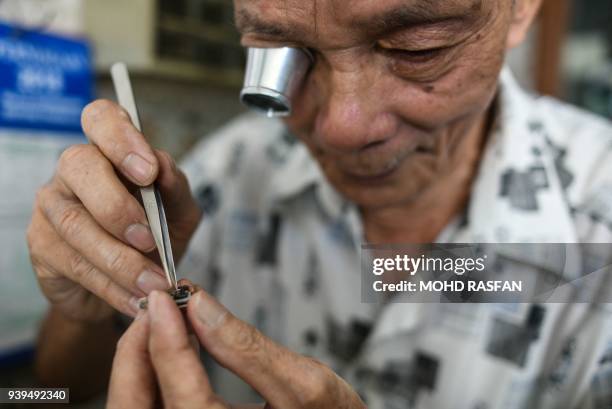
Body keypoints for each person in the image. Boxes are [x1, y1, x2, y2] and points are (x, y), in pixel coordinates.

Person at [26, 0, 612, 407]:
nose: (341, 128)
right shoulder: (222, 178)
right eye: (281, 52)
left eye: (417, 49)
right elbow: (49, 393)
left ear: (521, 10)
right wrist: (92, 302)